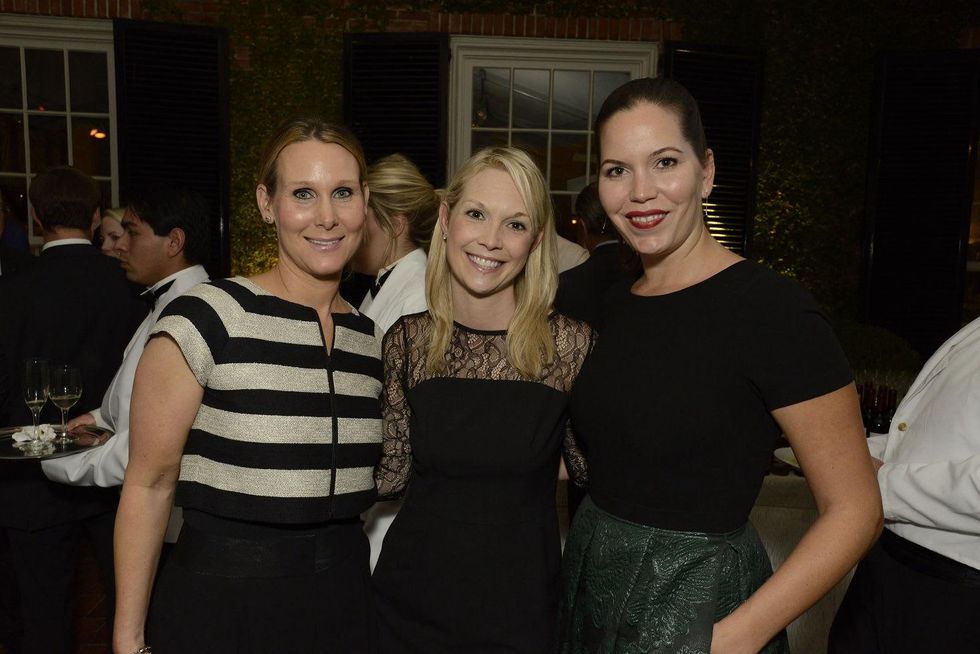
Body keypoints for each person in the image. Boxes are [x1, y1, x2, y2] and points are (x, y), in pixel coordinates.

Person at [559, 78, 882, 653]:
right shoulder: (604, 301)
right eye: (616, 170)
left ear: (706, 172)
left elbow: (855, 510)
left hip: (701, 604)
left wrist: (735, 637)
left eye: (664, 162)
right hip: (591, 584)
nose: (640, 192)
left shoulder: (772, 310)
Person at [112, 118, 383, 654]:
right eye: (303, 193)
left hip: (344, 607)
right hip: (223, 611)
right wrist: (128, 640)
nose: (326, 216)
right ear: (267, 203)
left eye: (342, 193)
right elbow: (148, 485)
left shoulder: (368, 338)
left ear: (364, 202)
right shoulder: (207, 317)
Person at [372, 146, 594, 653]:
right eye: (476, 214)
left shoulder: (569, 347)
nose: (491, 241)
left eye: (515, 225)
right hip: (406, 605)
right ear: (447, 219)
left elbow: (593, 470)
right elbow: (391, 474)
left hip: (519, 612)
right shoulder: (409, 341)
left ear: (536, 241)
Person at [0, 166, 146, 654]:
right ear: (94, 215)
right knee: (131, 607)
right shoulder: (129, 286)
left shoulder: (13, 289)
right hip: (119, 469)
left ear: (37, 217)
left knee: (44, 616)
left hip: (29, 475)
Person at [828, 317, 980, 653]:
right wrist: (844, 454)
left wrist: (879, 482)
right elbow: (925, 438)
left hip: (954, 592)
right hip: (888, 563)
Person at [42, 186, 210, 489]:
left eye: (132, 233)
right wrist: (98, 419)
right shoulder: (167, 302)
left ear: (174, 242)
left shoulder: (187, 316)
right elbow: (136, 403)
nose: (121, 246)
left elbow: (144, 451)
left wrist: (53, 461)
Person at [351, 153, 440, 572]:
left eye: (362, 216)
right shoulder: (383, 286)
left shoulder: (417, 296)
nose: (350, 227)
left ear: (396, 223)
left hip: (393, 509)